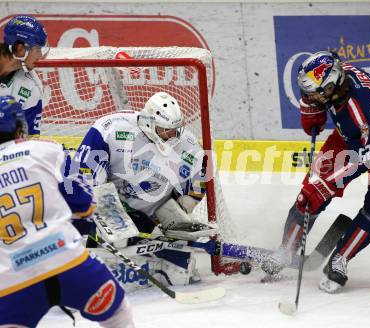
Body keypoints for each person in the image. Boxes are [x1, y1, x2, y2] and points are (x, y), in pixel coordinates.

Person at [265, 51, 370, 293]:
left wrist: (326, 185)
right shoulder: (334, 79)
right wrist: (310, 108)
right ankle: (286, 250)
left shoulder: (360, 114)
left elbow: (364, 157)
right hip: (356, 135)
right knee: (308, 197)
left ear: (332, 84)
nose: (310, 96)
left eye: (315, 93)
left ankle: (341, 259)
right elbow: (315, 95)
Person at [0, 95, 135, 327]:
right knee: (117, 314)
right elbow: (83, 203)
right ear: (21, 126)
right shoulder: (46, 149)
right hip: (69, 263)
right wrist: (82, 223)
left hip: (13, 281)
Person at [72, 91, 213, 287]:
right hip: (109, 206)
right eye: (166, 130)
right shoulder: (111, 128)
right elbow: (86, 179)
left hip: (147, 216)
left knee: (180, 254)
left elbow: (197, 184)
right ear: (149, 123)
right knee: (106, 239)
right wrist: (102, 218)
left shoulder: (189, 147)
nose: (173, 136)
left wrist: (174, 213)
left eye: (176, 129)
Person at [0, 15, 48, 136]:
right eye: (37, 49)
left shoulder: (32, 86)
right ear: (20, 49)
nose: (40, 55)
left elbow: (29, 138)